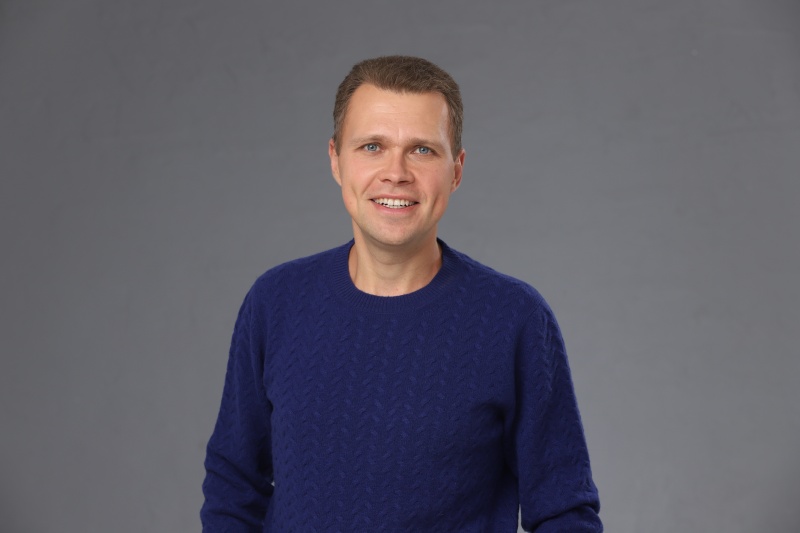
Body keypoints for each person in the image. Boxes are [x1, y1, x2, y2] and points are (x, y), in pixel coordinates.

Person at [201, 55, 602, 532]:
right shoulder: (276, 303)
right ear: (335, 160)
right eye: (372, 146)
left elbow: (563, 511)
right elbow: (233, 486)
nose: (396, 172)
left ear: (456, 169)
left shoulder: (514, 319)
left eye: (422, 150)